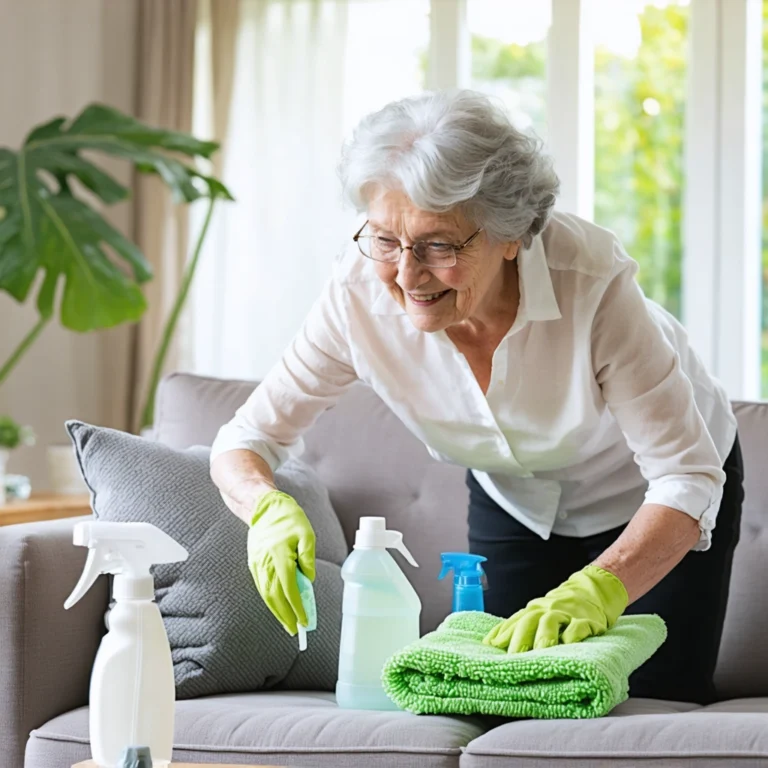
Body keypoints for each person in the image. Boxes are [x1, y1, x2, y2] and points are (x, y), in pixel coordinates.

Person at [210, 89, 742, 704]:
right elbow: (246, 439)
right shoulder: (355, 298)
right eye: (385, 239)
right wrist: (265, 508)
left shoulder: (590, 282)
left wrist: (600, 587)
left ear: (511, 235)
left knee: (653, 707)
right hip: (512, 497)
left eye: (440, 245)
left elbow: (684, 475)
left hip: (654, 500)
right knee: (504, 697)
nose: (407, 276)